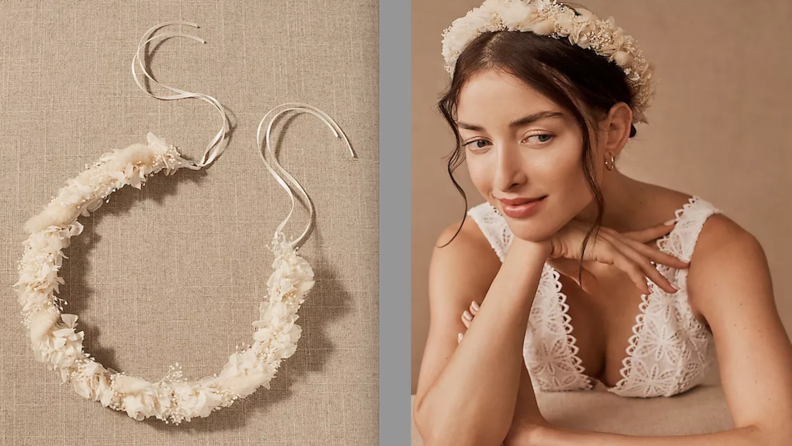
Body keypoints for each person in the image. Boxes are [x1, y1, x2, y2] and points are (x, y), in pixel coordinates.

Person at [412, 1, 792, 445]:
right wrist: (534, 246)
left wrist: (541, 439)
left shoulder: (715, 249)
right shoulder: (469, 246)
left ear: (612, 130)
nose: (503, 179)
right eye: (478, 142)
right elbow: (452, 438)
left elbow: (779, 434)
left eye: (538, 137)